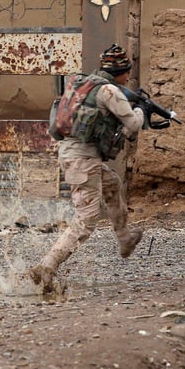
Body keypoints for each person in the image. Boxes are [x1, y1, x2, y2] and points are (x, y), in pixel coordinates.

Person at [29, 44, 146, 293]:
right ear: (122, 72)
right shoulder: (109, 91)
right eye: (127, 73)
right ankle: (47, 266)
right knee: (87, 220)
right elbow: (134, 125)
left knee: (112, 183)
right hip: (83, 159)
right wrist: (141, 110)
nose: (128, 78)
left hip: (74, 154)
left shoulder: (83, 83)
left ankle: (124, 238)